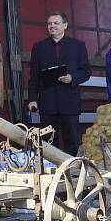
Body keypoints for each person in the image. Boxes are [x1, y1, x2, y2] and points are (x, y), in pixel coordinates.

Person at [27, 12, 90, 156]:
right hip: (48, 103)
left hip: (70, 102)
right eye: (50, 23)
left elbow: (86, 71)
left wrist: (72, 78)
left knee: (72, 140)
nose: (52, 26)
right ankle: (51, 172)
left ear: (65, 26)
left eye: (56, 23)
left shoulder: (78, 46)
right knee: (48, 141)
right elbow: (34, 76)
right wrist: (32, 99)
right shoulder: (39, 47)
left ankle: (72, 170)